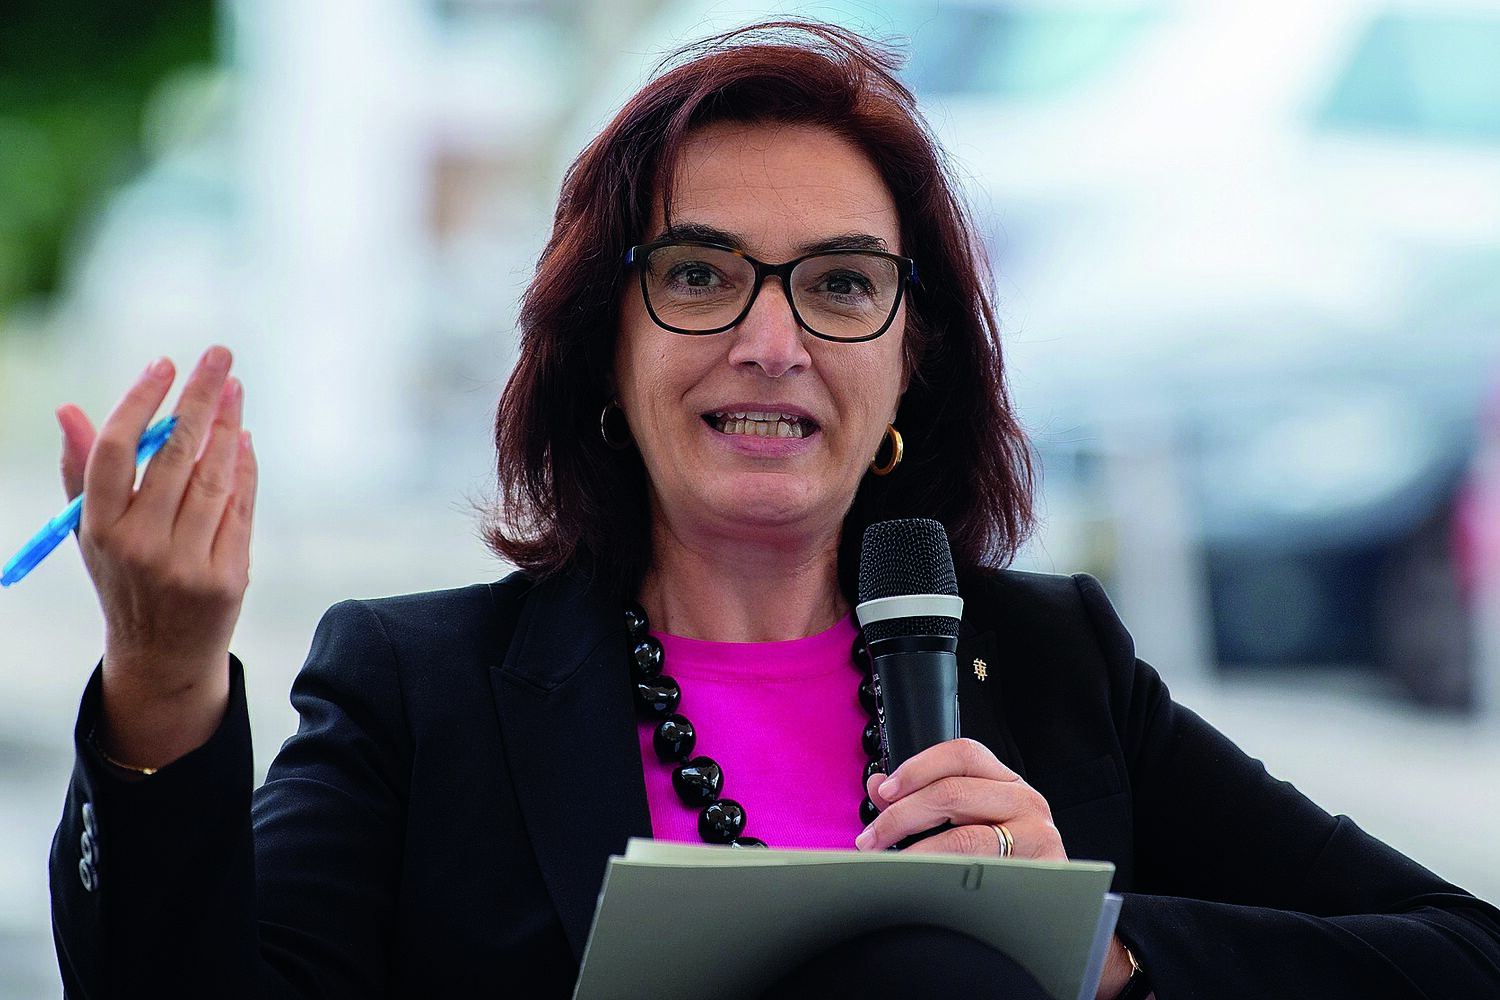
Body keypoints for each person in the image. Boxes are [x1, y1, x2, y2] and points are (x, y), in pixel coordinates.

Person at [47, 21, 1500, 1000]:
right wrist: (163, 679)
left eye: (842, 284)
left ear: (910, 359)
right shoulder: (419, 689)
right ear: (602, 350)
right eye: (699, 275)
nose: (771, 340)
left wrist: (1103, 949)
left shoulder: (1060, 670)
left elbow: (1461, 949)